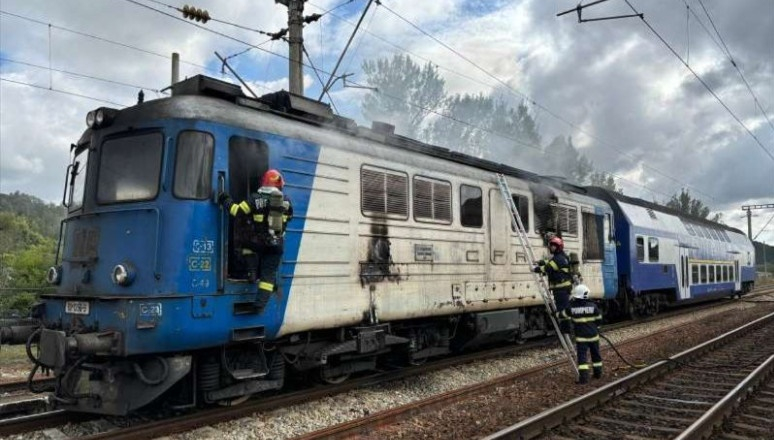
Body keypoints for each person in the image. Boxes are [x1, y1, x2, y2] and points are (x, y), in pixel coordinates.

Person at [218, 169, 293, 311]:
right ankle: (259, 306)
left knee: (245, 244)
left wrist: (224, 198)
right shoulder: (286, 200)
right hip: (276, 245)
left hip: (258, 242)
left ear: (264, 182)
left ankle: (251, 272)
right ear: (279, 184)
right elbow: (289, 217)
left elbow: (237, 211)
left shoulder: (255, 198)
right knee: (268, 276)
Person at [560, 284, 603, 384]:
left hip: (581, 338)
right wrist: (597, 327)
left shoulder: (572, 308)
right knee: (596, 355)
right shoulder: (593, 306)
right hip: (594, 336)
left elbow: (562, 315)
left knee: (582, 358)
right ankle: (598, 374)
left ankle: (584, 379)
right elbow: (599, 320)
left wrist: (555, 313)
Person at [533, 236, 573, 334]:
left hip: (561, 289)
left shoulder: (559, 259)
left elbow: (548, 267)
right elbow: (550, 262)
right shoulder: (561, 257)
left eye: (553, 246)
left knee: (562, 310)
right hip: (562, 289)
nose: (551, 247)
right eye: (551, 246)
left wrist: (536, 269)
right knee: (562, 309)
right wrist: (541, 262)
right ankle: (565, 330)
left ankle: (566, 331)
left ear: (558, 247)